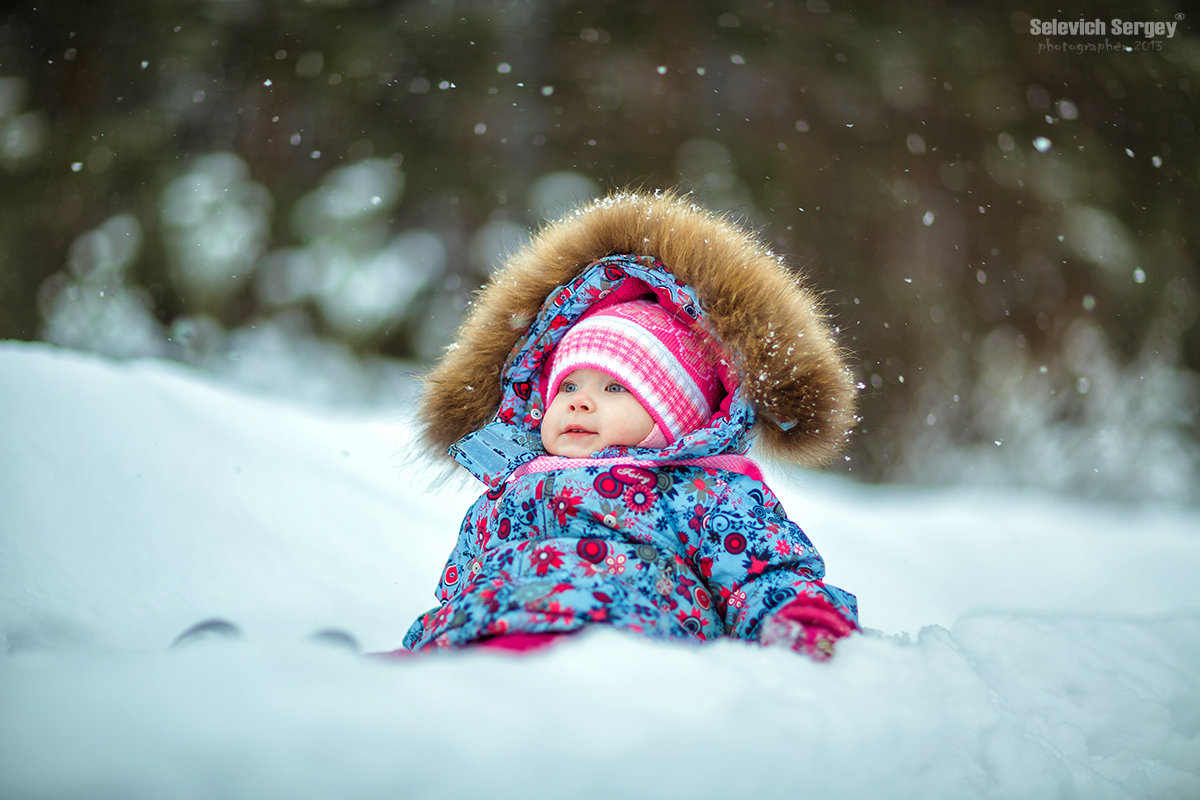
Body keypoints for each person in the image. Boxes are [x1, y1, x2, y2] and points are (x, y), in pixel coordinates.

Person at [399, 190, 859, 660]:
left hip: (624, 648)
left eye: (615, 388)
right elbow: (459, 593)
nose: (579, 403)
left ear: (677, 417)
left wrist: (798, 620)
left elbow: (761, 574)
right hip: (483, 642)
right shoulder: (504, 490)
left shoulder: (704, 493)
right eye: (567, 387)